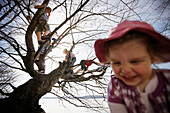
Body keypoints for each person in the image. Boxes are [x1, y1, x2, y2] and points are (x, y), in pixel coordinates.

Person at [94, 20, 170, 113]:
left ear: (152, 57)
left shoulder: (167, 80)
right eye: (117, 63)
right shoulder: (116, 86)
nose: (125, 70)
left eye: (135, 61)